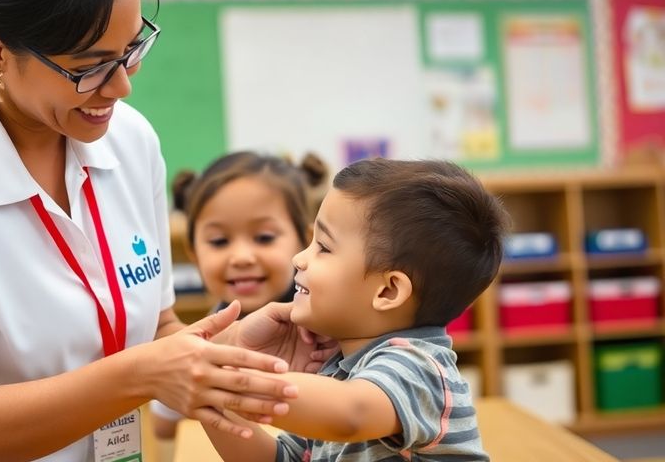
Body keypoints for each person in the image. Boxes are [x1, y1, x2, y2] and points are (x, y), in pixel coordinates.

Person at [0, 0, 324, 461]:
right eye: (90, 67)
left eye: (132, 49)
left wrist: (222, 353)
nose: (121, 86)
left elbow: (154, 327)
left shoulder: (131, 142)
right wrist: (143, 375)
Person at [203, 159, 509, 461]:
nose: (299, 258)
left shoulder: (420, 367)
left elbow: (351, 414)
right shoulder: (338, 371)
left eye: (323, 246)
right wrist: (208, 383)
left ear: (388, 290)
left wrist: (235, 383)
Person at [151, 151, 328, 440]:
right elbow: (163, 426)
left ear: (306, 241)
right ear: (195, 253)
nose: (242, 257)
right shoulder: (207, 333)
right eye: (219, 241)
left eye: (264, 238)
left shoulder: (326, 329)